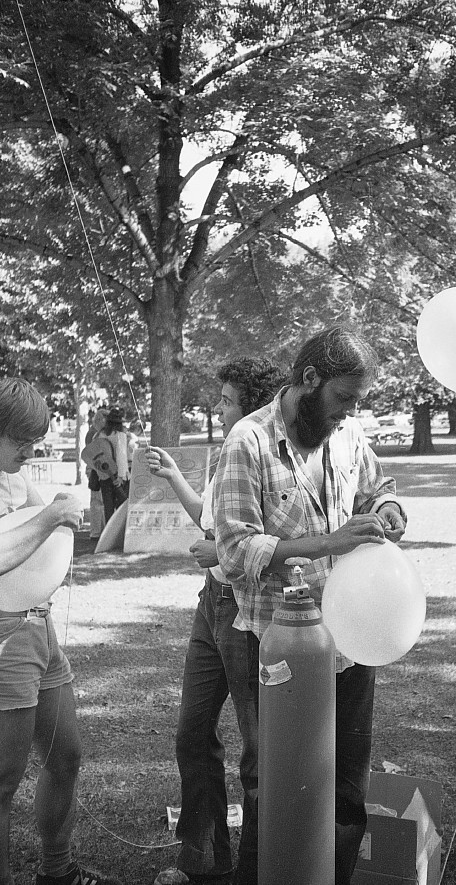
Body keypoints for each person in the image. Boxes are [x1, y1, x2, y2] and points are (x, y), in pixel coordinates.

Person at [213, 326, 407, 885]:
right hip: (278, 645)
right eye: (344, 398)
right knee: (276, 785)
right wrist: (329, 543)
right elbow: (233, 549)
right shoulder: (247, 442)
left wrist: (390, 508)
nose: (350, 412)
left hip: (350, 640)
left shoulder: (348, 436)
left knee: (346, 790)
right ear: (309, 379)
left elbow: (378, 483)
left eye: (358, 402)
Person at [146, 359, 286, 885]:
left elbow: (249, 542)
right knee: (191, 732)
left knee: (257, 747)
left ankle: (256, 867)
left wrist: (218, 552)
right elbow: (210, 523)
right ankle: (206, 858)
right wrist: (176, 477)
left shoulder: (264, 454)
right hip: (212, 604)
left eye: (227, 399)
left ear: (250, 403)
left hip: (246, 611)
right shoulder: (228, 454)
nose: (219, 407)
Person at [0, 378, 118, 885]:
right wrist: (52, 516)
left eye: (34, 439)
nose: (30, 450)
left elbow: (40, 523)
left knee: (65, 755)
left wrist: (62, 517)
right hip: (5, 639)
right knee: (2, 784)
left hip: (38, 627)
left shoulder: (12, 477)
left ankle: (57, 870)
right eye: (19, 440)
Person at [96, 407, 136, 523]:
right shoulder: (119, 435)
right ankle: (119, 536)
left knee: (108, 508)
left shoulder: (100, 435)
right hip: (118, 476)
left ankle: (108, 536)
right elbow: (121, 457)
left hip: (104, 475)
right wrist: (121, 476)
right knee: (121, 508)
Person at [84, 410, 107, 540]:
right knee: (98, 501)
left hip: (96, 469)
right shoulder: (94, 434)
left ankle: (97, 531)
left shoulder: (94, 433)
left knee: (97, 501)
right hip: (96, 469)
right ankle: (97, 531)